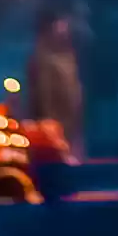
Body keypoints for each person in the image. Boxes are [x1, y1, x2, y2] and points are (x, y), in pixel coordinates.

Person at [28, 11, 85, 161]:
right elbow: (43, 92)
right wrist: (48, 117)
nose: (64, 28)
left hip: (71, 114)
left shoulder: (69, 55)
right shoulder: (42, 58)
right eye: (60, 24)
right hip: (52, 117)